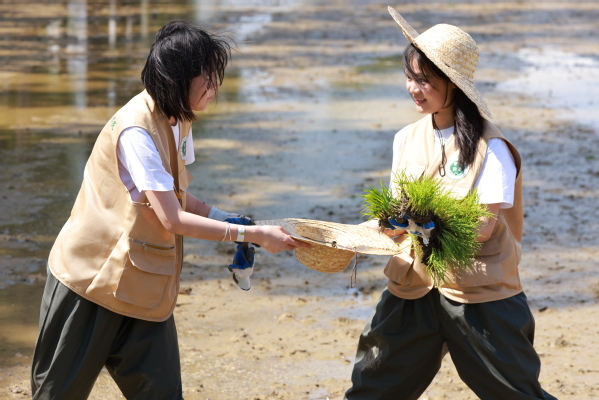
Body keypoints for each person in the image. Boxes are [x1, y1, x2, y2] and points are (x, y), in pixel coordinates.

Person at [30, 20, 308, 400]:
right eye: (207, 76)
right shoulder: (136, 132)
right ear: (178, 79)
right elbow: (171, 218)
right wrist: (253, 234)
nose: (215, 86)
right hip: (90, 283)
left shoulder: (178, 119)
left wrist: (224, 218)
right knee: (55, 395)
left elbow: (173, 195)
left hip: (145, 287)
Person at [344, 7, 556, 400]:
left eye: (424, 80)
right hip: (412, 286)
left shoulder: (493, 148)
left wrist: (416, 221)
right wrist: (345, 238)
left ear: (454, 84)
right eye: (410, 77)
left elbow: (482, 227)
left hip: (480, 294)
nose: (413, 88)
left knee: (516, 395)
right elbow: (393, 218)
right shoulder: (405, 139)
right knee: (371, 390)